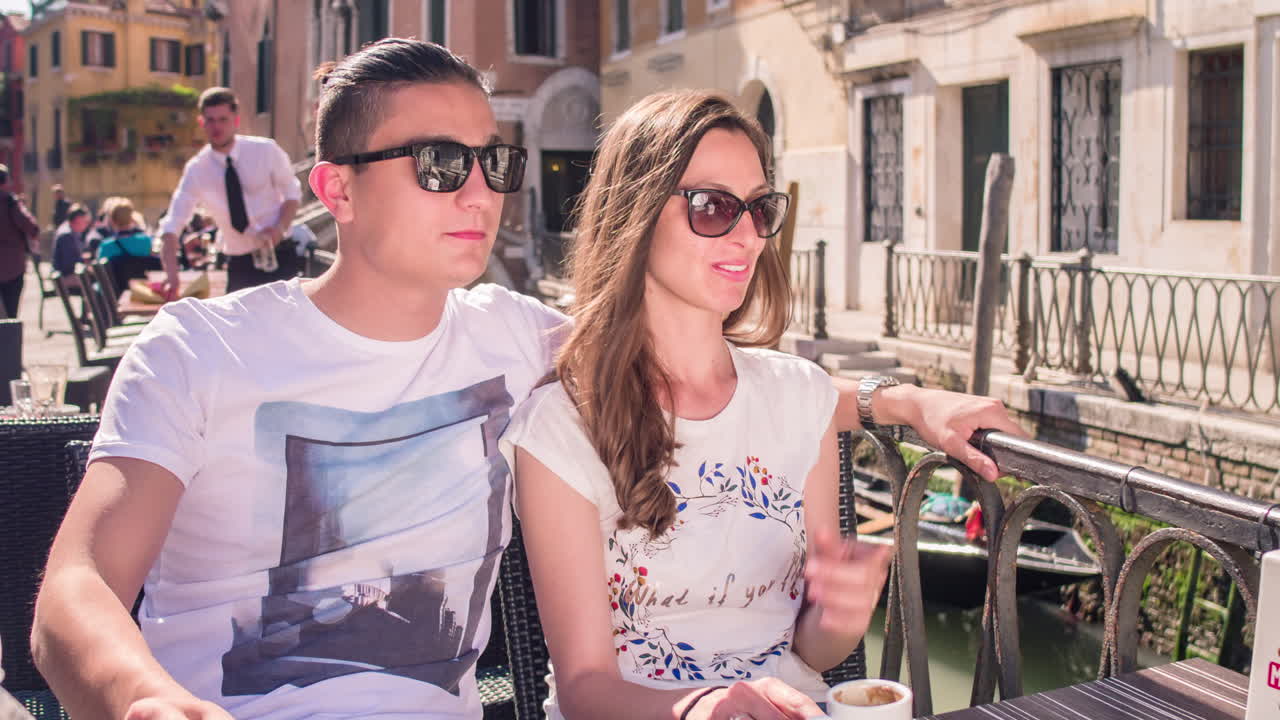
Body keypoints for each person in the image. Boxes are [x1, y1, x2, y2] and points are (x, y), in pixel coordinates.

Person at [30, 39, 1021, 720]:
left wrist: (904, 402)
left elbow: (708, 369)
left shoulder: (509, 337)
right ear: (336, 188)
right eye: (437, 163)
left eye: (490, 164)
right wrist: (142, 700)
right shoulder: (200, 350)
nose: (479, 193)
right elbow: (75, 590)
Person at [503, 91, 892, 720]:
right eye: (713, 207)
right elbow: (585, 689)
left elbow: (812, 652)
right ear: (634, 215)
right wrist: (706, 707)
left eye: (760, 208)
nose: (748, 236)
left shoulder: (803, 396)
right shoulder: (557, 429)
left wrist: (842, 616)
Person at [157, 87, 302, 296]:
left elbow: (292, 194)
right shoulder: (197, 169)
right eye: (210, 120)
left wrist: (279, 229)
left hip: (280, 254)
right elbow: (172, 224)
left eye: (223, 119)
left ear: (236, 120)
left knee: (288, 316)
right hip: (240, 264)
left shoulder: (266, 151)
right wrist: (172, 276)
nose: (216, 127)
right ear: (201, 123)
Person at [0, 163, 39, 319]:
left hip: (12, 264)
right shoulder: (10, 202)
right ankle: (10, 333)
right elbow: (31, 227)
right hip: (12, 265)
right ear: (5, 181)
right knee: (11, 311)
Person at [97, 199, 162, 290]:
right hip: (142, 292)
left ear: (112, 220)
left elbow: (101, 277)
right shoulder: (146, 241)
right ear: (132, 218)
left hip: (117, 294)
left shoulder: (105, 246)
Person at [51, 204, 92, 277]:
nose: (86, 225)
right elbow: (69, 264)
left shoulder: (73, 231)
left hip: (68, 273)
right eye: (84, 221)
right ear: (76, 220)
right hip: (64, 276)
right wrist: (83, 259)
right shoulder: (66, 235)